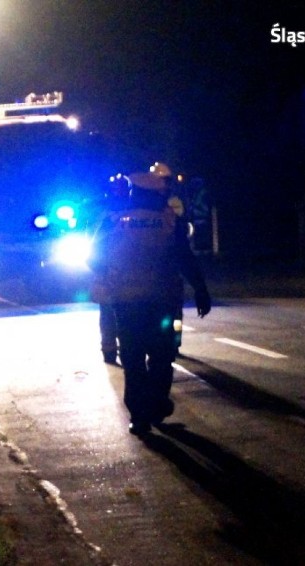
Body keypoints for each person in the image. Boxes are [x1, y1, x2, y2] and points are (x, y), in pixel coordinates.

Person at [89, 162, 211, 437]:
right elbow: (185, 259)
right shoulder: (171, 222)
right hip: (163, 301)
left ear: (133, 193)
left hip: (126, 302)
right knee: (162, 357)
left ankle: (139, 417)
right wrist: (201, 289)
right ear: (157, 195)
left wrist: (114, 275)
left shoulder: (113, 221)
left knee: (132, 360)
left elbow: (93, 258)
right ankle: (157, 406)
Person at [87, 173, 132, 365]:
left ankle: (120, 350)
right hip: (112, 272)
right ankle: (111, 350)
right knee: (108, 313)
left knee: (118, 314)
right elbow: (94, 246)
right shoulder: (104, 214)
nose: (119, 192)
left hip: (126, 272)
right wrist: (102, 271)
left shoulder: (132, 212)